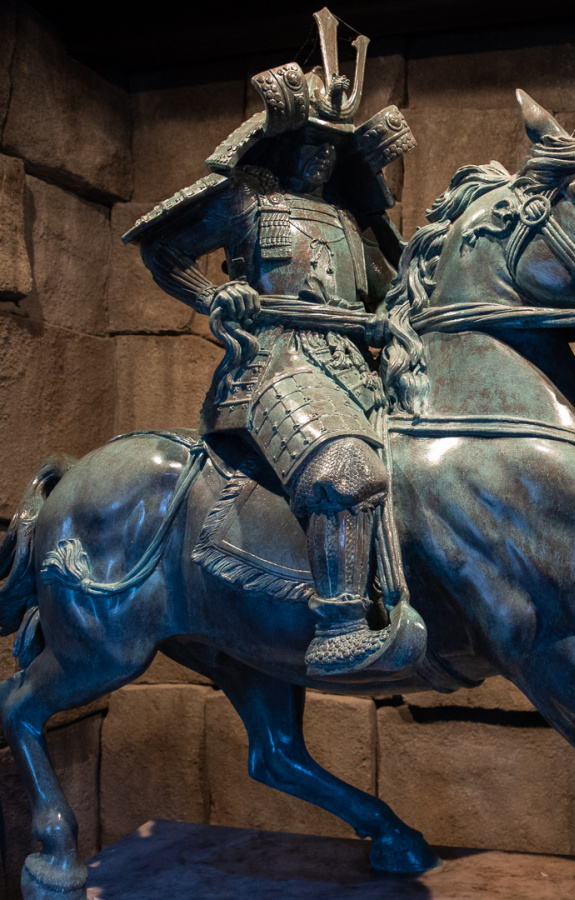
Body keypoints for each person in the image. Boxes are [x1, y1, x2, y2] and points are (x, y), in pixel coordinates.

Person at [123, 29, 416, 679]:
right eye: (310, 141)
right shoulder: (248, 200)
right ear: (283, 143)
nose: (319, 156)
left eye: (331, 147)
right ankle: (341, 624)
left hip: (359, 367)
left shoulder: (349, 221)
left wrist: (391, 324)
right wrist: (215, 292)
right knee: (345, 469)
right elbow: (162, 249)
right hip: (274, 365)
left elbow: (388, 291)